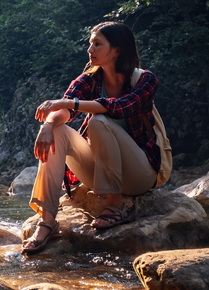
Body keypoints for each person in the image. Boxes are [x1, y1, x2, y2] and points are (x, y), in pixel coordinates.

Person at [21, 22, 161, 254]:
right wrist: (47, 124)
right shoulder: (89, 80)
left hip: (140, 174)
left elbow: (120, 107)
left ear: (116, 50)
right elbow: (66, 111)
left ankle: (116, 206)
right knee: (58, 129)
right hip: (102, 175)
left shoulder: (145, 80)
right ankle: (48, 222)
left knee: (98, 120)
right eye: (90, 44)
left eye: (97, 44)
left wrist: (67, 103)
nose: (90, 50)